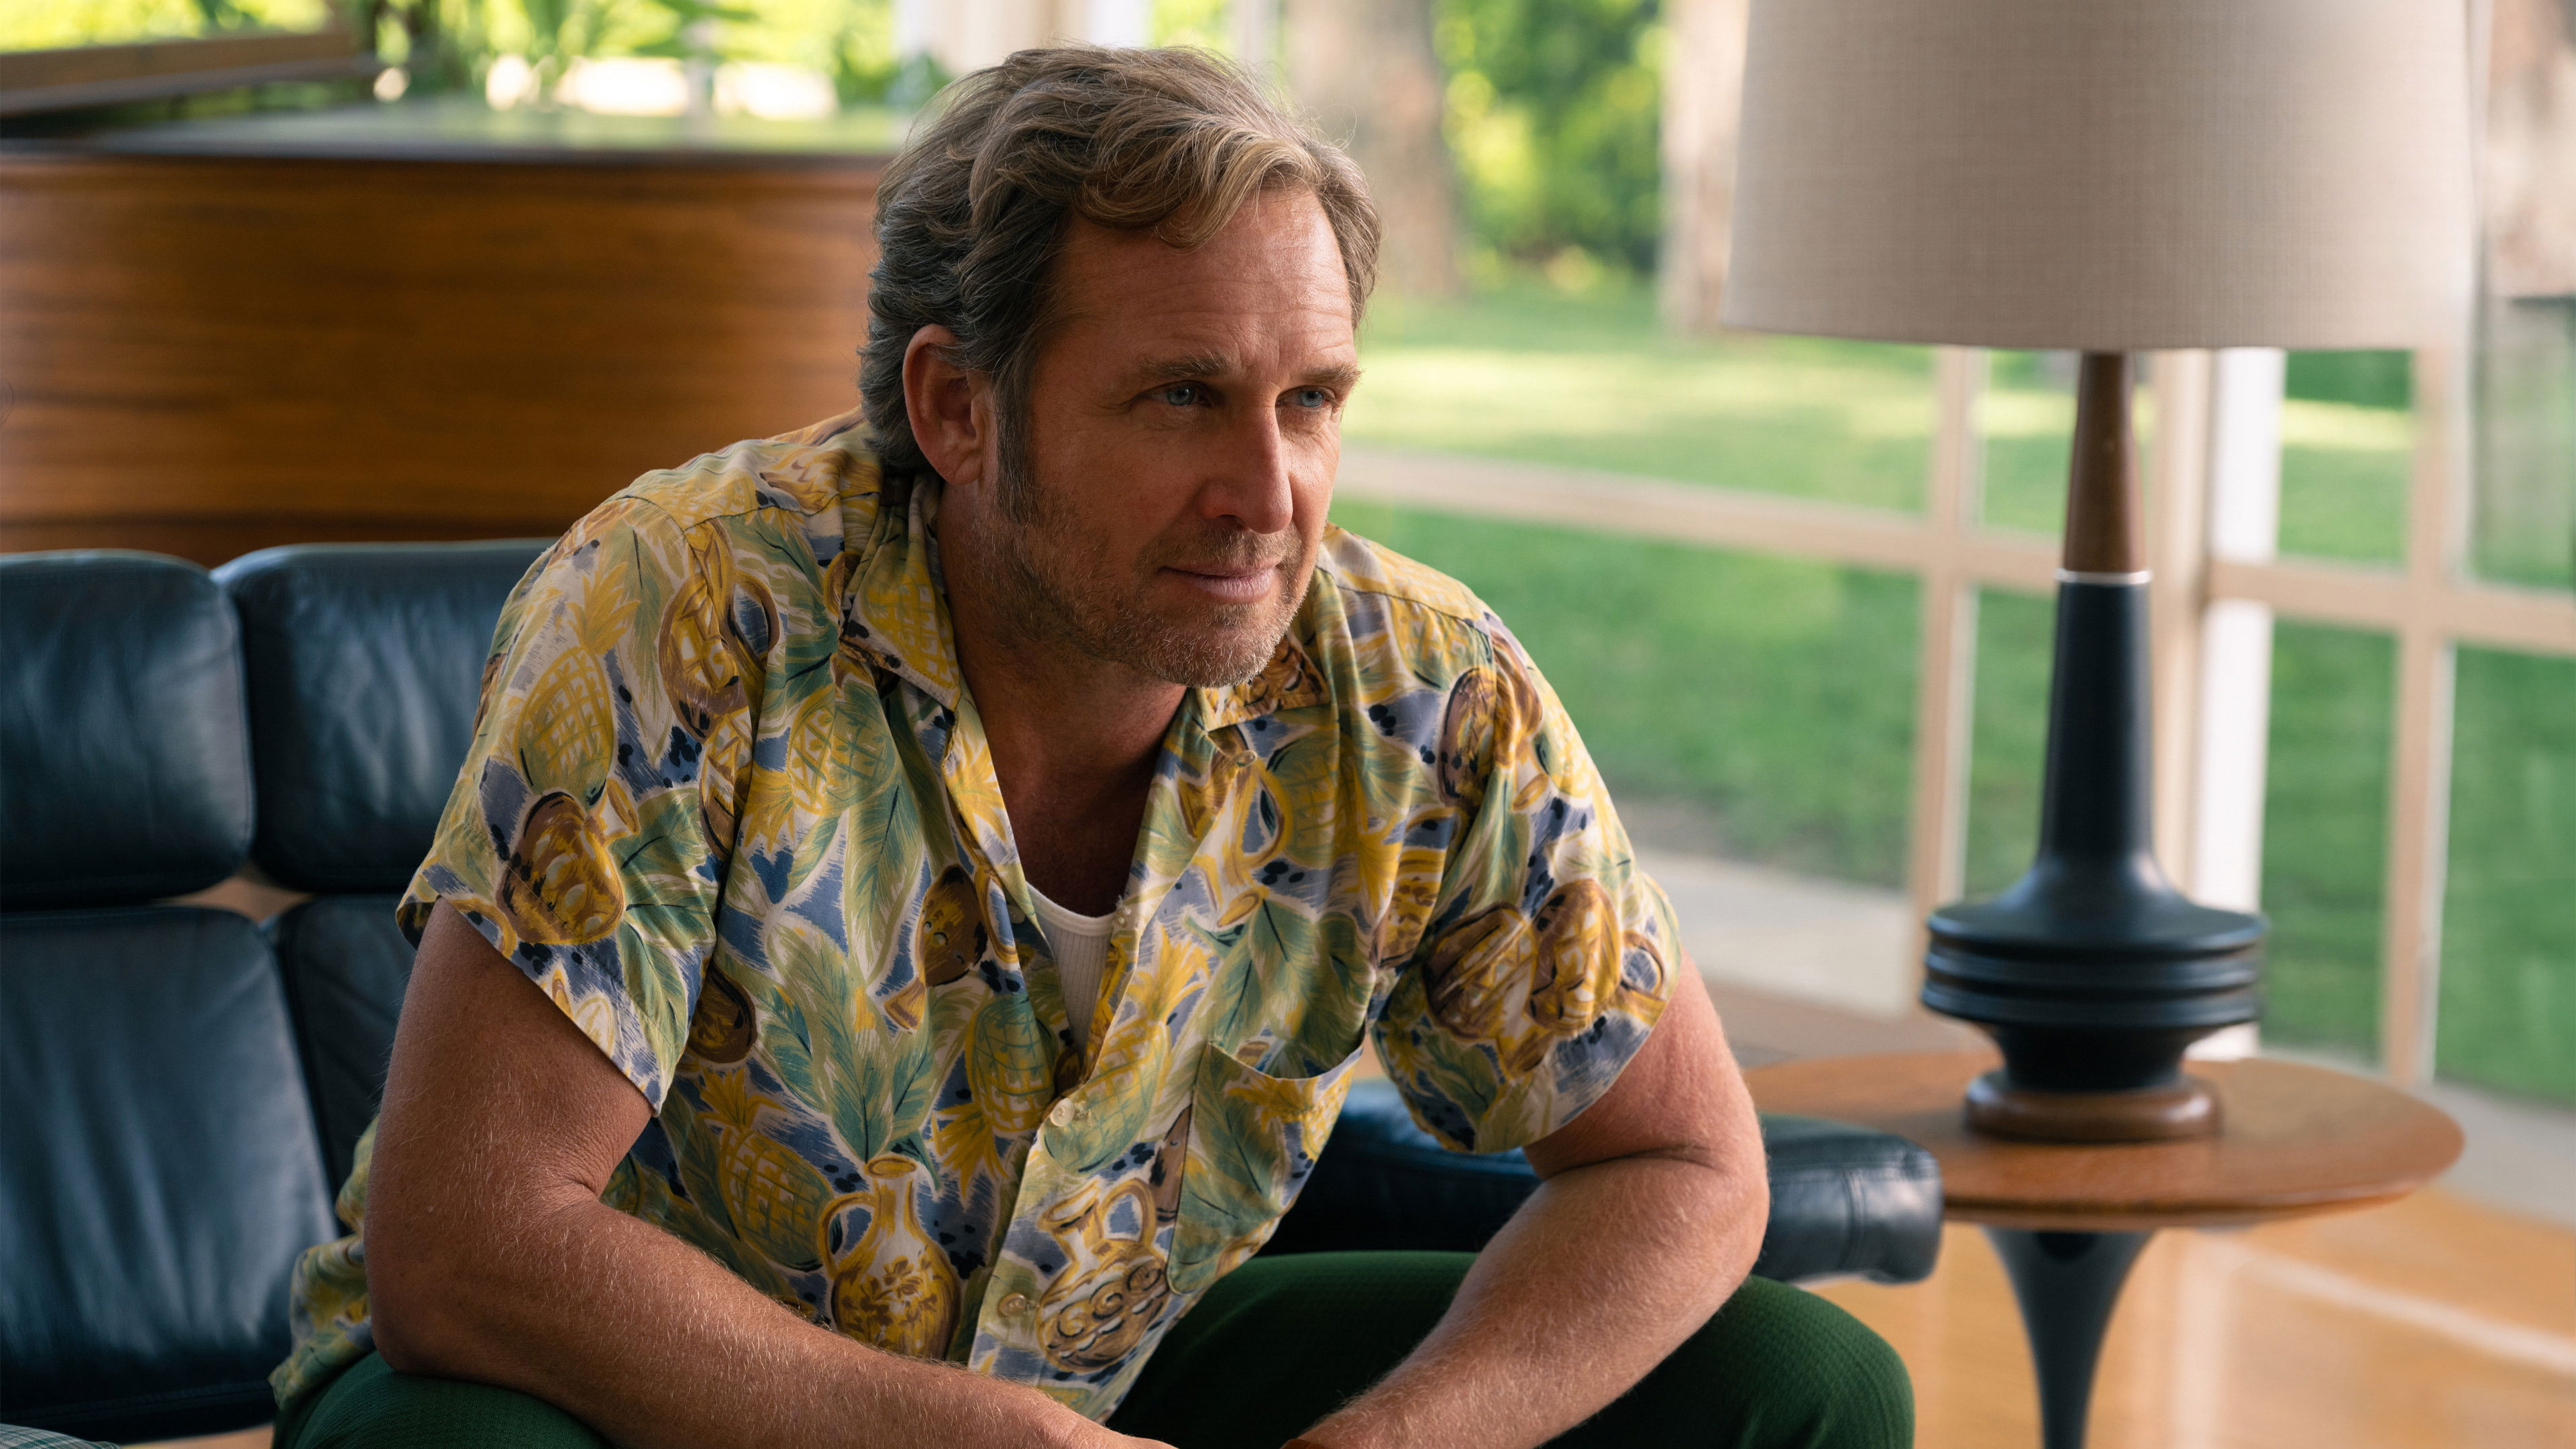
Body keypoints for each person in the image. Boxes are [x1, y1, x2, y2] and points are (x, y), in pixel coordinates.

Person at [269, 45, 1911, 1449]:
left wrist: (1392, 1443)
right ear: (957, 411)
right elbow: (469, 1244)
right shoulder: (686, 609)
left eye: (1311, 400)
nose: (1268, 496)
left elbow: (1684, 1162)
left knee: (1797, 1382)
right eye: (1183, 397)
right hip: (620, 1392)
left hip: (1100, 1372)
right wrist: (962, 1439)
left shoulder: (1419, 691)